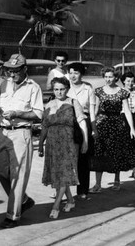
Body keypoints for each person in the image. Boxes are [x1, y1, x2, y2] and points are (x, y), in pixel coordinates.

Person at [0, 53, 44, 229]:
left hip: (21, 133)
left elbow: (38, 114)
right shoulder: (5, 84)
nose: (11, 75)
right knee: (0, 169)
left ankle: (12, 216)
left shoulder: (33, 87)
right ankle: (24, 200)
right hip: (4, 133)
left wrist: (18, 114)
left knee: (18, 176)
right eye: (9, 71)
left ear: (24, 69)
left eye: (15, 71)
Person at [38, 77, 88, 219]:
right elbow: (44, 127)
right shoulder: (49, 104)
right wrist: (41, 145)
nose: (59, 92)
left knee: (65, 173)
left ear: (67, 89)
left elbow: (82, 122)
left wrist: (85, 141)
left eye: (62, 89)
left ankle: (56, 205)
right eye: (56, 89)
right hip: (52, 144)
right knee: (57, 174)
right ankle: (71, 200)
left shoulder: (73, 102)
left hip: (69, 143)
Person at [90, 67, 135, 192]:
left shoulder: (122, 92)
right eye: (106, 76)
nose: (108, 79)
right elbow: (95, 110)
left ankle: (117, 181)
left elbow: (126, 110)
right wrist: (93, 126)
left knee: (116, 153)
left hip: (117, 125)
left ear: (116, 77)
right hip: (102, 124)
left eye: (110, 76)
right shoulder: (99, 91)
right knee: (99, 153)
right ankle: (98, 184)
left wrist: (132, 128)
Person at [67, 62, 96, 200]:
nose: (73, 76)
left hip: (84, 122)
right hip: (67, 123)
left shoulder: (88, 88)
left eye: (76, 73)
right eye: (70, 72)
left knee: (83, 157)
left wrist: (93, 128)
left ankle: (83, 190)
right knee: (65, 157)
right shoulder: (64, 87)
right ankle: (61, 190)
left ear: (81, 74)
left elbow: (91, 110)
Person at [121, 71, 135, 180]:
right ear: (123, 81)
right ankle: (118, 174)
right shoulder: (119, 92)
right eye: (128, 81)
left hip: (134, 118)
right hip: (122, 118)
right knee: (122, 144)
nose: (130, 83)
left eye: (132, 81)